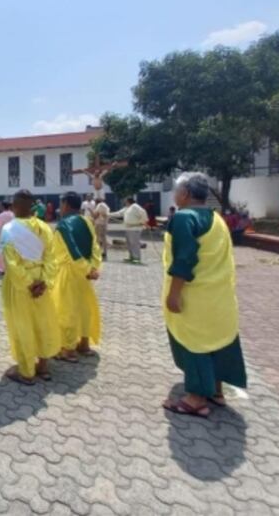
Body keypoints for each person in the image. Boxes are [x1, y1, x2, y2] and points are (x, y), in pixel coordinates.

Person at [161, 172, 247, 418]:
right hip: (218, 296)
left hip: (194, 297)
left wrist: (174, 294)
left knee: (195, 343)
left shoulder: (183, 218)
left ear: (185, 194)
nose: (174, 195)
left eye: (176, 191)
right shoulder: (216, 218)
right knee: (217, 340)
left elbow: (184, 258)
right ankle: (216, 391)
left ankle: (196, 399)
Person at [0, 190, 60, 384]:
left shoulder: (8, 229)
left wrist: (28, 283)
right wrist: (44, 282)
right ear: (32, 206)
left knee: (22, 325)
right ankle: (43, 366)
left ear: (15, 206)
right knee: (43, 323)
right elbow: (52, 257)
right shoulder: (44, 227)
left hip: (20, 285)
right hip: (41, 282)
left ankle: (26, 371)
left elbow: (12, 263)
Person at [52, 192, 102, 362]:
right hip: (85, 276)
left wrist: (87, 269)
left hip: (69, 273)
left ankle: (68, 349)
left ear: (65, 204)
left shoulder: (63, 226)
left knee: (67, 311)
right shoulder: (86, 221)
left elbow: (73, 252)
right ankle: (84, 344)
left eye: (61, 204)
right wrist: (93, 268)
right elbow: (95, 247)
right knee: (84, 308)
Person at [111, 197, 148, 264]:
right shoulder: (127, 208)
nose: (125, 203)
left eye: (125, 201)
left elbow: (143, 212)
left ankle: (137, 258)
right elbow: (118, 213)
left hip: (135, 228)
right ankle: (131, 257)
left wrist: (142, 222)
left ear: (128, 201)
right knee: (129, 244)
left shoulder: (135, 207)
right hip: (128, 228)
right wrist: (108, 214)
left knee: (135, 244)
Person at [0, 200, 15, 275]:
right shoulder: (14, 214)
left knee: (1, 254)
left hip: (2, 237)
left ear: (2, 207)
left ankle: (2, 269)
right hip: (13, 237)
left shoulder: (1, 216)